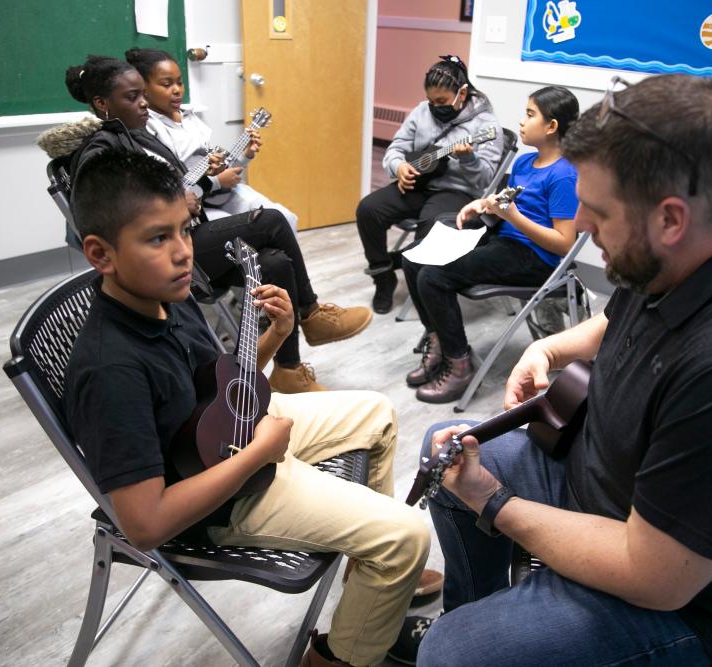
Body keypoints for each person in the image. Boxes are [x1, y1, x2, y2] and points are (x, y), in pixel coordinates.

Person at [411, 75, 712, 666]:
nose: (580, 223)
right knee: (445, 456)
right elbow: (619, 319)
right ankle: (485, 618)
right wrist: (551, 350)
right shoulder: (689, 253)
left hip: (690, 603)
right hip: (608, 489)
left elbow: (655, 576)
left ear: (671, 218)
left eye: (596, 210)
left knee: (453, 655)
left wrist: (496, 503)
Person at [63, 149, 431, 667]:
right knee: (408, 536)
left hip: (235, 439)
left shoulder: (171, 294)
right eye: (157, 238)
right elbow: (145, 525)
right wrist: (258, 455)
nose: (183, 252)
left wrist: (279, 334)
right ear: (100, 254)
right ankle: (334, 656)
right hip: (219, 497)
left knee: (377, 413)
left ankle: (371, 592)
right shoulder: (111, 371)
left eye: (185, 230)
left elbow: (225, 387)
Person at [41, 55, 371, 393]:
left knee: (275, 261)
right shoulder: (100, 152)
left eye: (142, 94)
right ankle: (311, 314)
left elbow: (178, 186)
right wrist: (177, 203)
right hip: (174, 252)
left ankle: (288, 370)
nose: (143, 104)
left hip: (189, 235)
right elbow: (116, 217)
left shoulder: (135, 136)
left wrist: (194, 190)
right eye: (132, 97)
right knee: (271, 221)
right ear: (101, 103)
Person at [401, 86, 579, 404]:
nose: (521, 122)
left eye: (529, 115)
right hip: (503, 240)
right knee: (414, 258)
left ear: (552, 127)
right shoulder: (525, 163)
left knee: (434, 276)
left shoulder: (564, 176)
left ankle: (459, 365)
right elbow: (505, 201)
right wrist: (482, 204)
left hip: (535, 258)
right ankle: (439, 339)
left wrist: (512, 216)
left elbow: (564, 245)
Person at [355, 55, 504, 314]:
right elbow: (397, 148)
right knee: (368, 209)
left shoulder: (486, 125)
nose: (436, 107)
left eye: (442, 102)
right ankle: (383, 276)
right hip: (419, 185)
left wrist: (469, 159)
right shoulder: (422, 111)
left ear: (462, 92)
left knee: (431, 223)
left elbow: (485, 180)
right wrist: (398, 166)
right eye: (432, 101)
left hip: (457, 192)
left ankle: (426, 294)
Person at [124, 47, 300, 235]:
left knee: (283, 217)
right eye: (166, 84)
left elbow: (220, 166)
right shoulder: (147, 127)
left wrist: (245, 155)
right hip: (195, 204)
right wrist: (215, 182)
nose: (177, 90)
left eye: (179, 82)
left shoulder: (190, 118)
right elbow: (173, 183)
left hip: (222, 194)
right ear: (144, 89)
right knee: (243, 237)